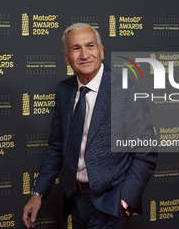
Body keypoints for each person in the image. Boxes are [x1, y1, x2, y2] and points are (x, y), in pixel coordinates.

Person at [23, 23, 157, 229]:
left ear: (101, 51)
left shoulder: (127, 91)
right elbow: (57, 147)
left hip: (110, 205)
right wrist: (37, 193)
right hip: (75, 200)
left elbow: (146, 153)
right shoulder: (64, 90)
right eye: (76, 48)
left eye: (90, 46)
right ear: (66, 57)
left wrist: (125, 201)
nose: (84, 54)